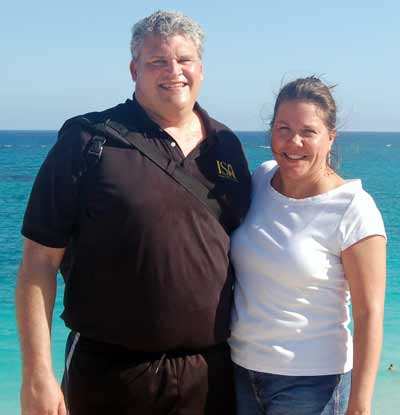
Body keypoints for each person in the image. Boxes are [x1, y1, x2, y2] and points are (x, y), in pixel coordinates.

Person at [16, 10, 251, 415]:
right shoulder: (88, 140)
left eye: (184, 59)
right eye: (157, 60)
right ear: (134, 69)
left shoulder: (226, 145)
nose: (173, 71)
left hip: (212, 376)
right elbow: (38, 262)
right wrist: (38, 374)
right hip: (109, 374)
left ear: (201, 68)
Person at [229, 77, 386, 415]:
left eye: (308, 131)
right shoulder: (260, 178)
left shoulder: (353, 208)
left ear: (330, 137)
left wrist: (360, 403)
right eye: (283, 128)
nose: (293, 142)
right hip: (239, 371)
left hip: (311, 384)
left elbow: (369, 313)